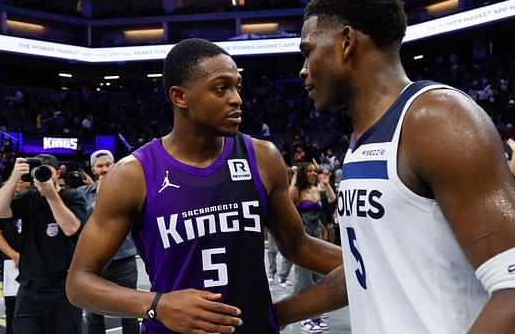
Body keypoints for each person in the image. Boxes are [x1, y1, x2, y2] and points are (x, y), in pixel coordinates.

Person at [274, 0, 515, 333]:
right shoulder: (360, 142)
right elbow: (372, 268)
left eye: (308, 50)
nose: (303, 69)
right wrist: (278, 313)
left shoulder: (435, 119)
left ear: (346, 42)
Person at [66, 38, 342, 334]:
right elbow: (79, 282)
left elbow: (298, 246)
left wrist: (374, 260)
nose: (236, 99)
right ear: (180, 96)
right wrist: (157, 304)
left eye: (238, 86)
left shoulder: (262, 157)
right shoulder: (133, 174)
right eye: (221, 88)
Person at [0, 154, 87, 334]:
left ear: (58, 173)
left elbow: (71, 228)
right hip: (30, 287)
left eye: (47, 171)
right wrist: (14, 177)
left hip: (63, 289)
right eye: (38, 172)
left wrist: (51, 195)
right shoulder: (29, 197)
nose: (42, 176)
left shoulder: (72, 197)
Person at [77, 150, 139, 334]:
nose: (104, 169)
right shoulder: (82, 193)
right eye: (100, 166)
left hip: (124, 259)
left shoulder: (129, 189)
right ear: (93, 170)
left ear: (114, 165)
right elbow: (79, 222)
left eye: (107, 165)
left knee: (130, 311)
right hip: (94, 262)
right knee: (93, 314)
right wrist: (100, 199)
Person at [289, 162, 336, 332]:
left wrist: (327, 182)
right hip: (302, 238)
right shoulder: (297, 191)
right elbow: (287, 205)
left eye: (314, 171)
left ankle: (314, 314)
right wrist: (294, 179)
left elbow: (331, 199)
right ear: (303, 173)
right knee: (305, 279)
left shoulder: (317, 189)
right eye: (309, 171)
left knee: (317, 278)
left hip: (317, 236)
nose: (312, 173)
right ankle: (304, 319)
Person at [0, 180, 28, 334]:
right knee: (12, 305)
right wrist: (14, 255)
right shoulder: (3, 205)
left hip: (37, 260)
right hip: (10, 261)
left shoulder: (37, 201)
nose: (19, 183)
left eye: (23, 179)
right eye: (16, 180)